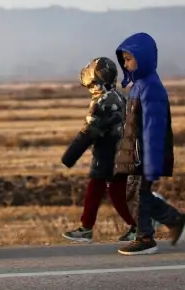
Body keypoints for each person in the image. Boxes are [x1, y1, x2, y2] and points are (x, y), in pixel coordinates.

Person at [113, 32, 185, 255]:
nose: (126, 64)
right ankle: (175, 220)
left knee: (137, 194)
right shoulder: (138, 86)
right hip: (135, 153)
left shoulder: (151, 88)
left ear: (144, 58)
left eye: (129, 59)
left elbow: (153, 129)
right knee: (137, 194)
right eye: (124, 60)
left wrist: (151, 163)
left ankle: (145, 237)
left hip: (144, 154)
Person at [61, 57, 137, 244]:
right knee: (100, 190)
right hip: (119, 152)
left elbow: (89, 131)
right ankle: (87, 228)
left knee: (112, 194)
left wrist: (69, 157)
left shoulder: (102, 100)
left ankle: (139, 226)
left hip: (109, 155)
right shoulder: (119, 95)